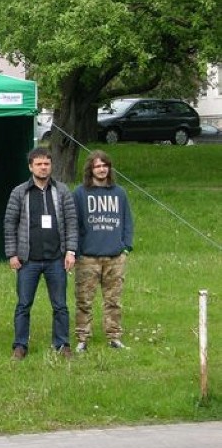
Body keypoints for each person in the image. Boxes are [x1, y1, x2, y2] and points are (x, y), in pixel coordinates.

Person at [5, 147, 78, 360]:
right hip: (28, 260)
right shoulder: (19, 192)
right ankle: (20, 346)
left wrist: (71, 251)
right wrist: (12, 254)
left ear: (51, 166)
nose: (43, 167)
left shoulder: (62, 190)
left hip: (57, 258)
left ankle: (62, 344)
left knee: (60, 305)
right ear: (30, 167)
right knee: (23, 305)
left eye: (46, 163)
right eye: (38, 164)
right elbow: (10, 223)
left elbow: (72, 222)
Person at [74, 150, 134, 352]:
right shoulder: (80, 193)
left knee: (114, 300)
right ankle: (82, 338)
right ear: (90, 169)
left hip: (115, 256)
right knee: (84, 300)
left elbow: (127, 221)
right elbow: (74, 223)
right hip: (88, 257)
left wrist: (126, 247)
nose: (101, 169)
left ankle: (114, 337)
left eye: (104, 166)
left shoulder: (120, 193)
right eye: (97, 166)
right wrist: (77, 250)